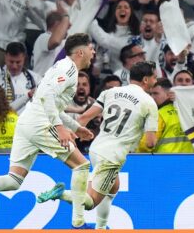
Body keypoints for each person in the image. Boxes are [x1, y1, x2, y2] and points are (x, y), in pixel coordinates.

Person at [0, 33, 96, 230]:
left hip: (27, 123)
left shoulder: (61, 67)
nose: (94, 52)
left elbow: (47, 102)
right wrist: (60, 129)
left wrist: (76, 127)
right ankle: (78, 224)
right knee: (81, 166)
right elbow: (47, 98)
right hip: (40, 125)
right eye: (91, 48)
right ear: (81, 52)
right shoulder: (69, 70)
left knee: (13, 180)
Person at [37, 61, 159, 230]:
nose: (156, 80)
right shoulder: (149, 103)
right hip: (112, 156)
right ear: (146, 80)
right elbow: (151, 143)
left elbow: (83, 118)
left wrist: (74, 132)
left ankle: (101, 227)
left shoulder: (110, 92)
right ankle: (61, 194)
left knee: (114, 186)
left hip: (96, 148)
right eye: (154, 77)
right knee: (90, 202)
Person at [137, 77, 194, 153]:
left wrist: (135, 153)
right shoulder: (189, 112)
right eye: (150, 94)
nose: (151, 97)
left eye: (155, 93)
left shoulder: (159, 115)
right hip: (190, 161)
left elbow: (146, 144)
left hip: (165, 161)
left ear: (168, 95)